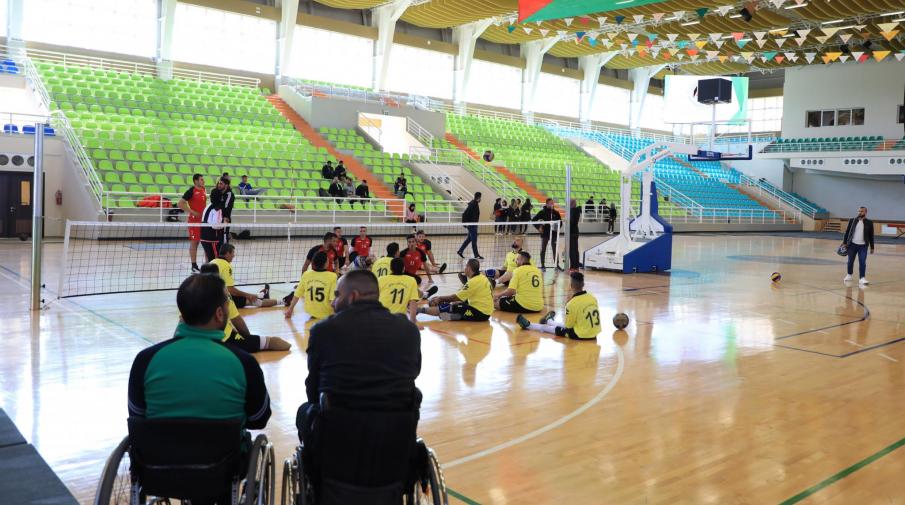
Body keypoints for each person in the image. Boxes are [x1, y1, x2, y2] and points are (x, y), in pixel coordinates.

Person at [128, 274, 272, 505]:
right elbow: (259, 418)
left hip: (158, 468)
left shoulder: (145, 360)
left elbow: (138, 415)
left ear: (182, 314)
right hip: (222, 468)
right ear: (219, 314)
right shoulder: (243, 362)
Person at [296, 270, 421, 443]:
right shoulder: (408, 330)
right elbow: (414, 373)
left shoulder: (324, 330)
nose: (333, 303)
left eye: (337, 295)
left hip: (341, 432)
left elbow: (313, 385)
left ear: (353, 296)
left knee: (304, 411)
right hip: (395, 433)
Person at [200, 263, 292, 353]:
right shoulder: (224, 296)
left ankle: (266, 296)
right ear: (218, 275)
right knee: (258, 304)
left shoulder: (192, 295)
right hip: (227, 339)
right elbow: (237, 320)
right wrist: (248, 339)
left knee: (256, 302)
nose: (233, 255)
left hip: (199, 339)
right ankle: (270, 297)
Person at [516, 272, 600, 340]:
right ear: (583, 284)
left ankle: (529, 325)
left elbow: (568, 326)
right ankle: (548, 321)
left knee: (552, 329)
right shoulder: (592, 298)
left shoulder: (572, 303)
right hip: (594, 333)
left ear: (571, 286)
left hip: (580, 335)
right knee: (569, 324)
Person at [418, 259, 493, 322]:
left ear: (469, 268)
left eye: (466, 266)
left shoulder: (473, 282)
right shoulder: (482, 277)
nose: (465, 268)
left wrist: (440, 298)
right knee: (457, 306)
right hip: (485, 311)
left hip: (480, 313)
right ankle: (453, 316)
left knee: (452, 306)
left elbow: (455, 297)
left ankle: (419, 310)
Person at [210, 244, 278, 310]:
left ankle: (261, 295)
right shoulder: (226, 265)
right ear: (227, 253)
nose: (234, 255)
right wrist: (247, 295)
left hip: (207, 296)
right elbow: (230, 290)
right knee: (255, 301)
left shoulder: (212, 261)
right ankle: (283, 301)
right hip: (218, 300)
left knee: (247, 296)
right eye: (233, 253)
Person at [285, 251, 338, 320]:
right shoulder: (332, 276)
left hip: (309, 312)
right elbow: (332, 299)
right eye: (328, 260)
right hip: (326, 314)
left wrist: (290, 309)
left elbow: (297, 294)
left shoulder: (306, 274)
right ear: (326, 263)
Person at [378, 258, 421, 323]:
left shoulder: (381, 280)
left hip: (382, 318)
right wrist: (413, 321)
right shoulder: (411, 280)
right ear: (403, 268)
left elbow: (373, 299)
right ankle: (425, 294)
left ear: (390, 269)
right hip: (400, 320)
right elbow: (413, 302)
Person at [178, 173, 206, 272]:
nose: (203, 181)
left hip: (203, 221)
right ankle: (194, 266)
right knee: (195, 242)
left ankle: (207, 265)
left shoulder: (203, 189)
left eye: (203, 179)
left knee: (205, 242)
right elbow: (180, 203)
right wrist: (193, 212)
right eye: (201, 180)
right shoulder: (191, 191)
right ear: (196, 181)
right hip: (194, 221)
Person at [842, 206, 875, 285]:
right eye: (859, 211)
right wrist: (844, 243)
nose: (860, 213)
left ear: (865, 212)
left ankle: (862, 278)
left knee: (862, 262)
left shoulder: (869, 222)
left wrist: (872, 247)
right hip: (852, 245)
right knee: (850, 261)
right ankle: (849, 275)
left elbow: (871, 235)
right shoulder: (852, 220)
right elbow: (847, 232)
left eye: (862, 211)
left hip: (863, 246)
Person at [533, 198, 562, 269]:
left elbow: (560, 223)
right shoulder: (542, 212)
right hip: (545, 234)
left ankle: (556, 265)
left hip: (554, 234)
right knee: (543, 249)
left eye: (553, 203)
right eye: (550, 203)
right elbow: (534, 220)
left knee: (555, 249)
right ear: (546, 204)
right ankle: (543, 265)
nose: (552, 204)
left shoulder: (556, 213)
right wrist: (539, 227)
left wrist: (557, 227)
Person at [199, 193, 225, 263]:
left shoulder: (208, 205)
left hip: (203, 236)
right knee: (215, 261)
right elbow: (215, 226)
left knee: (209, 259)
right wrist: (225, 224)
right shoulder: (217, 208)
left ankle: (207, 273)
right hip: (212, 238)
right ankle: (214, 273)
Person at [457, 192, 483, 259]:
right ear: (479, 197)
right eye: (480, 198)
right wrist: (465, 224)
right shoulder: (472, 204)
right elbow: (464, 214)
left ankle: (460, 251)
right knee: (474, 240)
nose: (481, 199)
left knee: (469, 239)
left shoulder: (475, 203)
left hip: (474, 225)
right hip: (472, 225)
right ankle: (476, 255)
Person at [569, 198, 581, 271]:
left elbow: (571, 221)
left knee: (572, 250)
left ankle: (573, 266)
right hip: (576, 231)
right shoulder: (577, 210)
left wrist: (567, 222)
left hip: (571, 232)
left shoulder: (572, 211)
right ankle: (576, 266)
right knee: (575, 249)